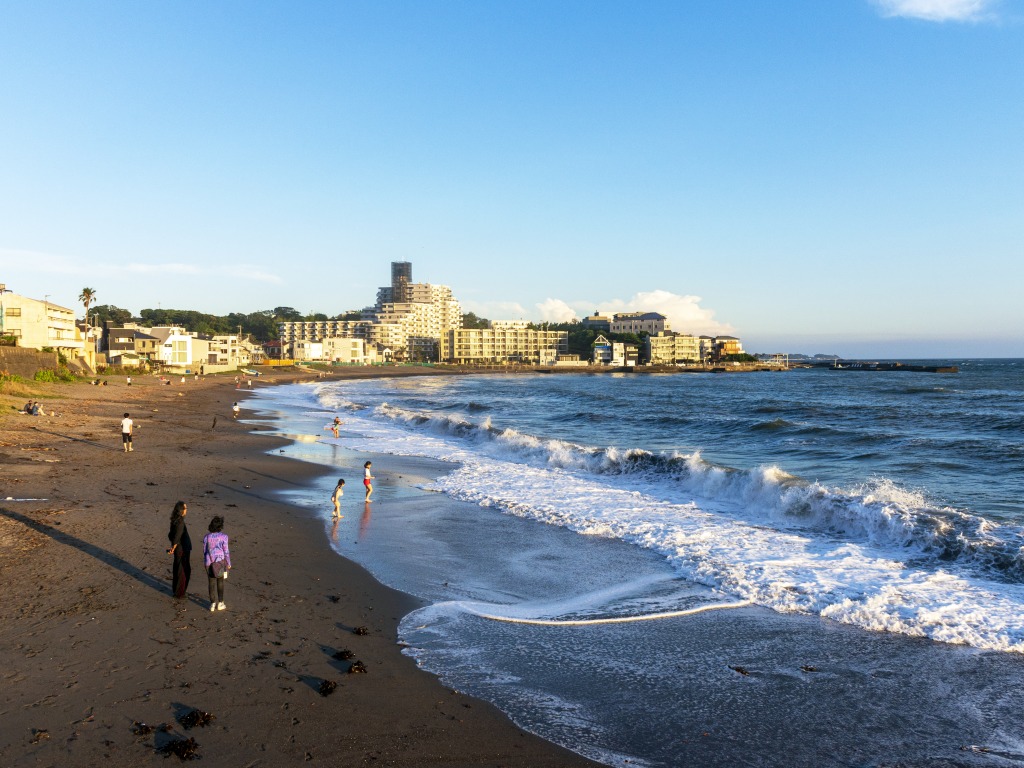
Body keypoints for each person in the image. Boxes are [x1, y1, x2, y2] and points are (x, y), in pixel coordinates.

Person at [203, 516, 231, 611]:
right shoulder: (224, 537)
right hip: (220, 562)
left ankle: (212, 603)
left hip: (209, 562)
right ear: (220, 526)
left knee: (211, 583)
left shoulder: (206, 537)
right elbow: (226, 551)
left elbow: (204, 551)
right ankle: (221, 603)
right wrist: (228, 563)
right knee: (220, 582)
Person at [167, 501, 192, 599]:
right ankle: (180, 593)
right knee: (183, 570)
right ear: (181, 510)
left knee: (178, 569)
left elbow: (171, 535)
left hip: (179, 548)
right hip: (182, 548)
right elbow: (177, 536)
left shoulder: (175, 520)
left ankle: (177, 591)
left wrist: (173, 546)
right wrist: (173, 547)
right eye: (185, 508)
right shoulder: (180, 521)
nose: (186, 510)